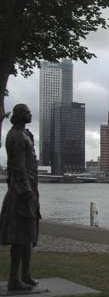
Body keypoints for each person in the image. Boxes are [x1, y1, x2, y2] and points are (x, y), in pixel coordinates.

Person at [0, 104, 40, 291]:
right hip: (21, 192)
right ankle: (14, 279)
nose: (30, 113)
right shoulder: (15, 136)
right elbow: (17, 166)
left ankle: (26, 274)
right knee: (19, 236)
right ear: (20, 115)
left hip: (30, 189)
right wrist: (25, 191)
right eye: (27, 111)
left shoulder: (26, 135)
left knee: (29, 235)